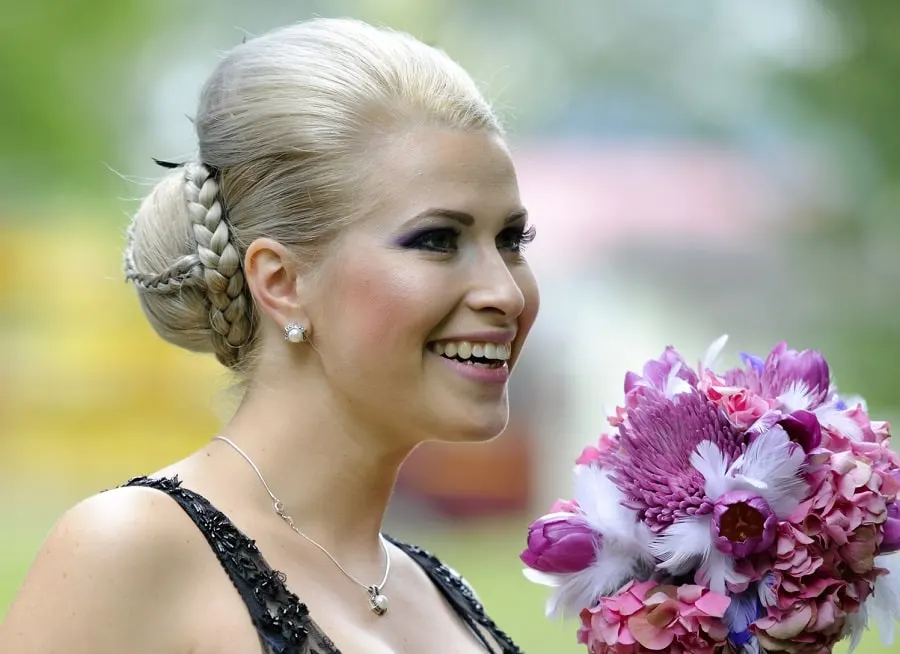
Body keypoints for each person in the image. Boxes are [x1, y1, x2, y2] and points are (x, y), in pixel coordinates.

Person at [0, 16, 539, 654]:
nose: (504, 292)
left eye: (511, 240)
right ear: (281, 281)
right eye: (437, 240)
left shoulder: (442, 594)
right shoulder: (131, 550)